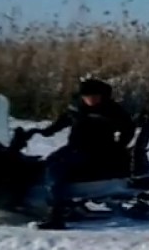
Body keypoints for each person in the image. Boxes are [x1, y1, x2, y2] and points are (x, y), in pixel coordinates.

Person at [30, 76, 136, 229]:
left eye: (94, 96)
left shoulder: (111, 110)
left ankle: (56, 215)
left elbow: (128, 129)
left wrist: (118, 147)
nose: (90, 100)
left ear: (101, 95)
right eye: (87, 97)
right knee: (49, 162)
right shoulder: (78, 107)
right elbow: (64, 120)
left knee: (55, 170)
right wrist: (45, 131)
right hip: (75, 147)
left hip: (97, 150)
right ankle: (57, 201)